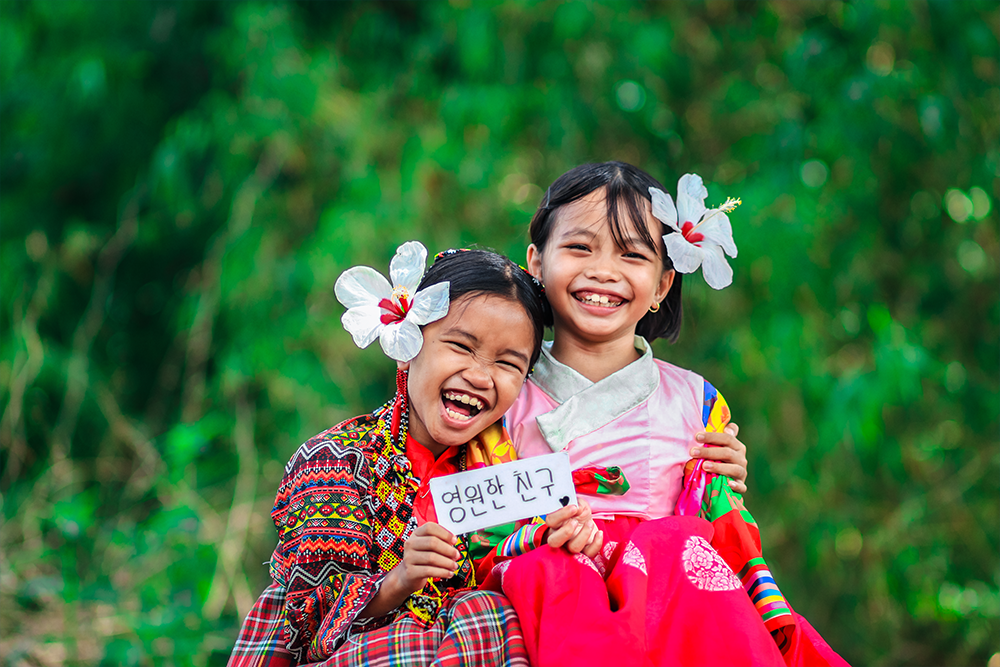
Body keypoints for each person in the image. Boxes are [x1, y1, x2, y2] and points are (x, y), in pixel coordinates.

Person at [476, 162, 848, 666]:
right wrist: (543, 531)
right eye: (580, 247)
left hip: (672, 609)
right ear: (536, 262)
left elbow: (713, 515)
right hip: (544, 594)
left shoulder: (696, 401)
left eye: (631, 254)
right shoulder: (500, 391)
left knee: (674, 548)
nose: (603, 271)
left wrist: (718, 484)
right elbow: (476, 514)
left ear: (662, 284)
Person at [228, 243, 549, 667]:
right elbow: (307, 626)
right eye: (461, 346)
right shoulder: (334, 461)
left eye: (508, 364)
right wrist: (400, 579)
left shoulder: (507, 471)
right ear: (409, 343)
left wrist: (555, 536)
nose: (479, 375)